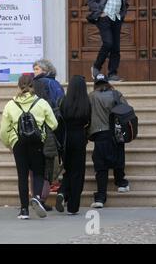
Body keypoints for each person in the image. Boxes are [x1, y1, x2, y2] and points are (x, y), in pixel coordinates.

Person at [0, 75, 58, 220]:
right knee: (38, 172)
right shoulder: (42, 103)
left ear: (18, 86)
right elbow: (54, 124)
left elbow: (3, 130)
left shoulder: (10, 104)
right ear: (33, 86)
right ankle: (37, 197)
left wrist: (9, 143)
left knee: (22, 176)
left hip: (18, 143)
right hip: (37, 141)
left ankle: (24, 210)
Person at [88, 74, 130, 209]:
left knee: (101, 166)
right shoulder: (116, 94)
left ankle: (100, 197)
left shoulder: (91, 96)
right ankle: (121, 183)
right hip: (116, 132)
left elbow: (86, 112)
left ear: (96, 84)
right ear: (107, 83)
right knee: (119, 157)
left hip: (99, 133)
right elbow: (126, 110)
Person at [88, 0, 129, 82]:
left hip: (116, 18)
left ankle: (112, 74)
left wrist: (122, 14)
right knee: (108, 43)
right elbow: (91, 0)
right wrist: (100, 12)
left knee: (116, 47)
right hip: (104, 17)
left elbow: (124, 1)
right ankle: (96, 67)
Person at [55, 76, 92, 215]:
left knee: (68, 169)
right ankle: (73, 206)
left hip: (66, 138)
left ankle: (63, 192)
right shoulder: (86, 102)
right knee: (77, 172)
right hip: (79, 137)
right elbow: (89, 121)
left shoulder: (64, 101)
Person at [32, 59, 65, 211]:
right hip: (50, 127)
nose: (35, 72)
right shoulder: (55, 83)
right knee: (47, 166)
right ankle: (40, 198)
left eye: (37, 69)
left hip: (37, 128)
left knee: (37, 169)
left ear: (45, 70)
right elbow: (60, 103)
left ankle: (36, 198)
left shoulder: (38, 83)